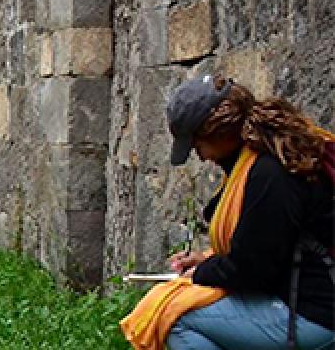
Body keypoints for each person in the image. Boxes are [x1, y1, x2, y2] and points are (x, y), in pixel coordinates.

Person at [120, 74, 334, 350]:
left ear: (217, 132)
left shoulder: (270, 174)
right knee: (173, 309)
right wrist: (205, 260)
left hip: (314, 315)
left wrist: (200, 273)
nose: (201, 156)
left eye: (197, 145)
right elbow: (263, 247)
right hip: (299, 297)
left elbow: (253, 269)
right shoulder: (267, 157)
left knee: (172, 317)